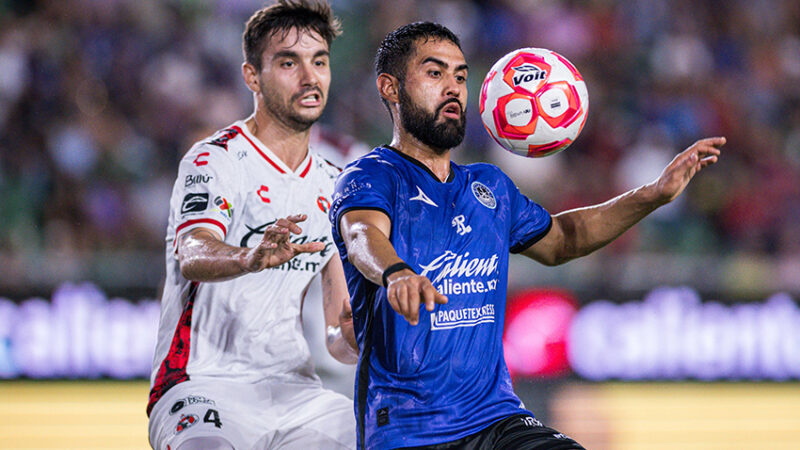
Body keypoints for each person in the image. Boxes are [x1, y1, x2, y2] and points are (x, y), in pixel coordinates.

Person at [329, 22, 724, 450]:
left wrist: (651, 195)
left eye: (461, 76)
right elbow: (361, 233)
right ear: (390, 87)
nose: (453, 88)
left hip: (496, 417)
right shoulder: (374, 174)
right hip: (408, 428)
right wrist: (397, 273)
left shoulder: (489, 186)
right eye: (434, 73)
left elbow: (563, 239)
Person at [147, 1, 358, 449]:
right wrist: (250, 257)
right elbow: (193, 252)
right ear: (252, 77)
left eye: (319, 61)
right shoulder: (215, 158)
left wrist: (361, 334)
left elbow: (337, 336)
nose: (310, 77)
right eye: (289, 62)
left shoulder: (336, 185)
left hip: (296, 392)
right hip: (202, 383)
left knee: (366, 428)